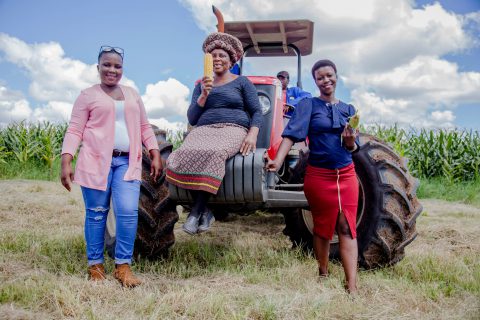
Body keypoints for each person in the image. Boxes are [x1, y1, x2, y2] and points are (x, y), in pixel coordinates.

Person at [60, 46, 161, 288]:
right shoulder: (87, 95)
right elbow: (75, 129)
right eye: (107, 65)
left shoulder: (132, 94)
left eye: (117, 66)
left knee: (128, 213)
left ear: (122, 69)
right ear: (98, 68)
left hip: (127, 162)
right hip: (95, 162)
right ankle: (95, 264)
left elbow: (145, 126)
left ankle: (123, 266)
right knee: (96, 213)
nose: (112, 70)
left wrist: (155, 153)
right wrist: (66, 160)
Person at [267, 60, 360, 294]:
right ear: (316, 81)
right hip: (319, 176)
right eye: (320, 78)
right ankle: (323, 272)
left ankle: (352, 285)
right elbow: (291, 135)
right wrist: (278, 160)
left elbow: (353, 148)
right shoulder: (308, 105)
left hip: (346, 176)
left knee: (347, 227)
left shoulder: (349, 110)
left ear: (336, 77)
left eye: (329, 75)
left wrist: (350, 142)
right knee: (323, 227)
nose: (326, 80)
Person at [166, 32, 262, 235]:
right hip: (203, 129)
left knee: (215, 152)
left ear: (230, 61)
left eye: (222, 56)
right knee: (182, 154)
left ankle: (196, 211)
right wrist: (203, 96)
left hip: (233, 128)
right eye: (213, 56)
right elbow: (192, 118)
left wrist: (252, 134)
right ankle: (205, 210)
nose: (217, 59)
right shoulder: (201, 84)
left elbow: (256, 111)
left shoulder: (242, 82)